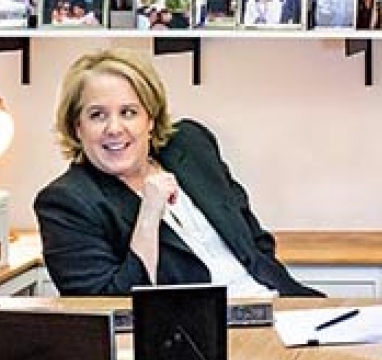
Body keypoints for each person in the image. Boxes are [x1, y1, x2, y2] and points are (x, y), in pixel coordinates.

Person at [34, 48, 325, 298]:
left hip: (279, 306)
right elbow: (111, 309)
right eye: (97, 115)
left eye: (129, 112)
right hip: (200, 335)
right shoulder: (66, 203)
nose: (114, 128)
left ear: (151, 118)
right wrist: (149, 215)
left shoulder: (191, 144)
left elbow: (253, 239)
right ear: (77, 127)